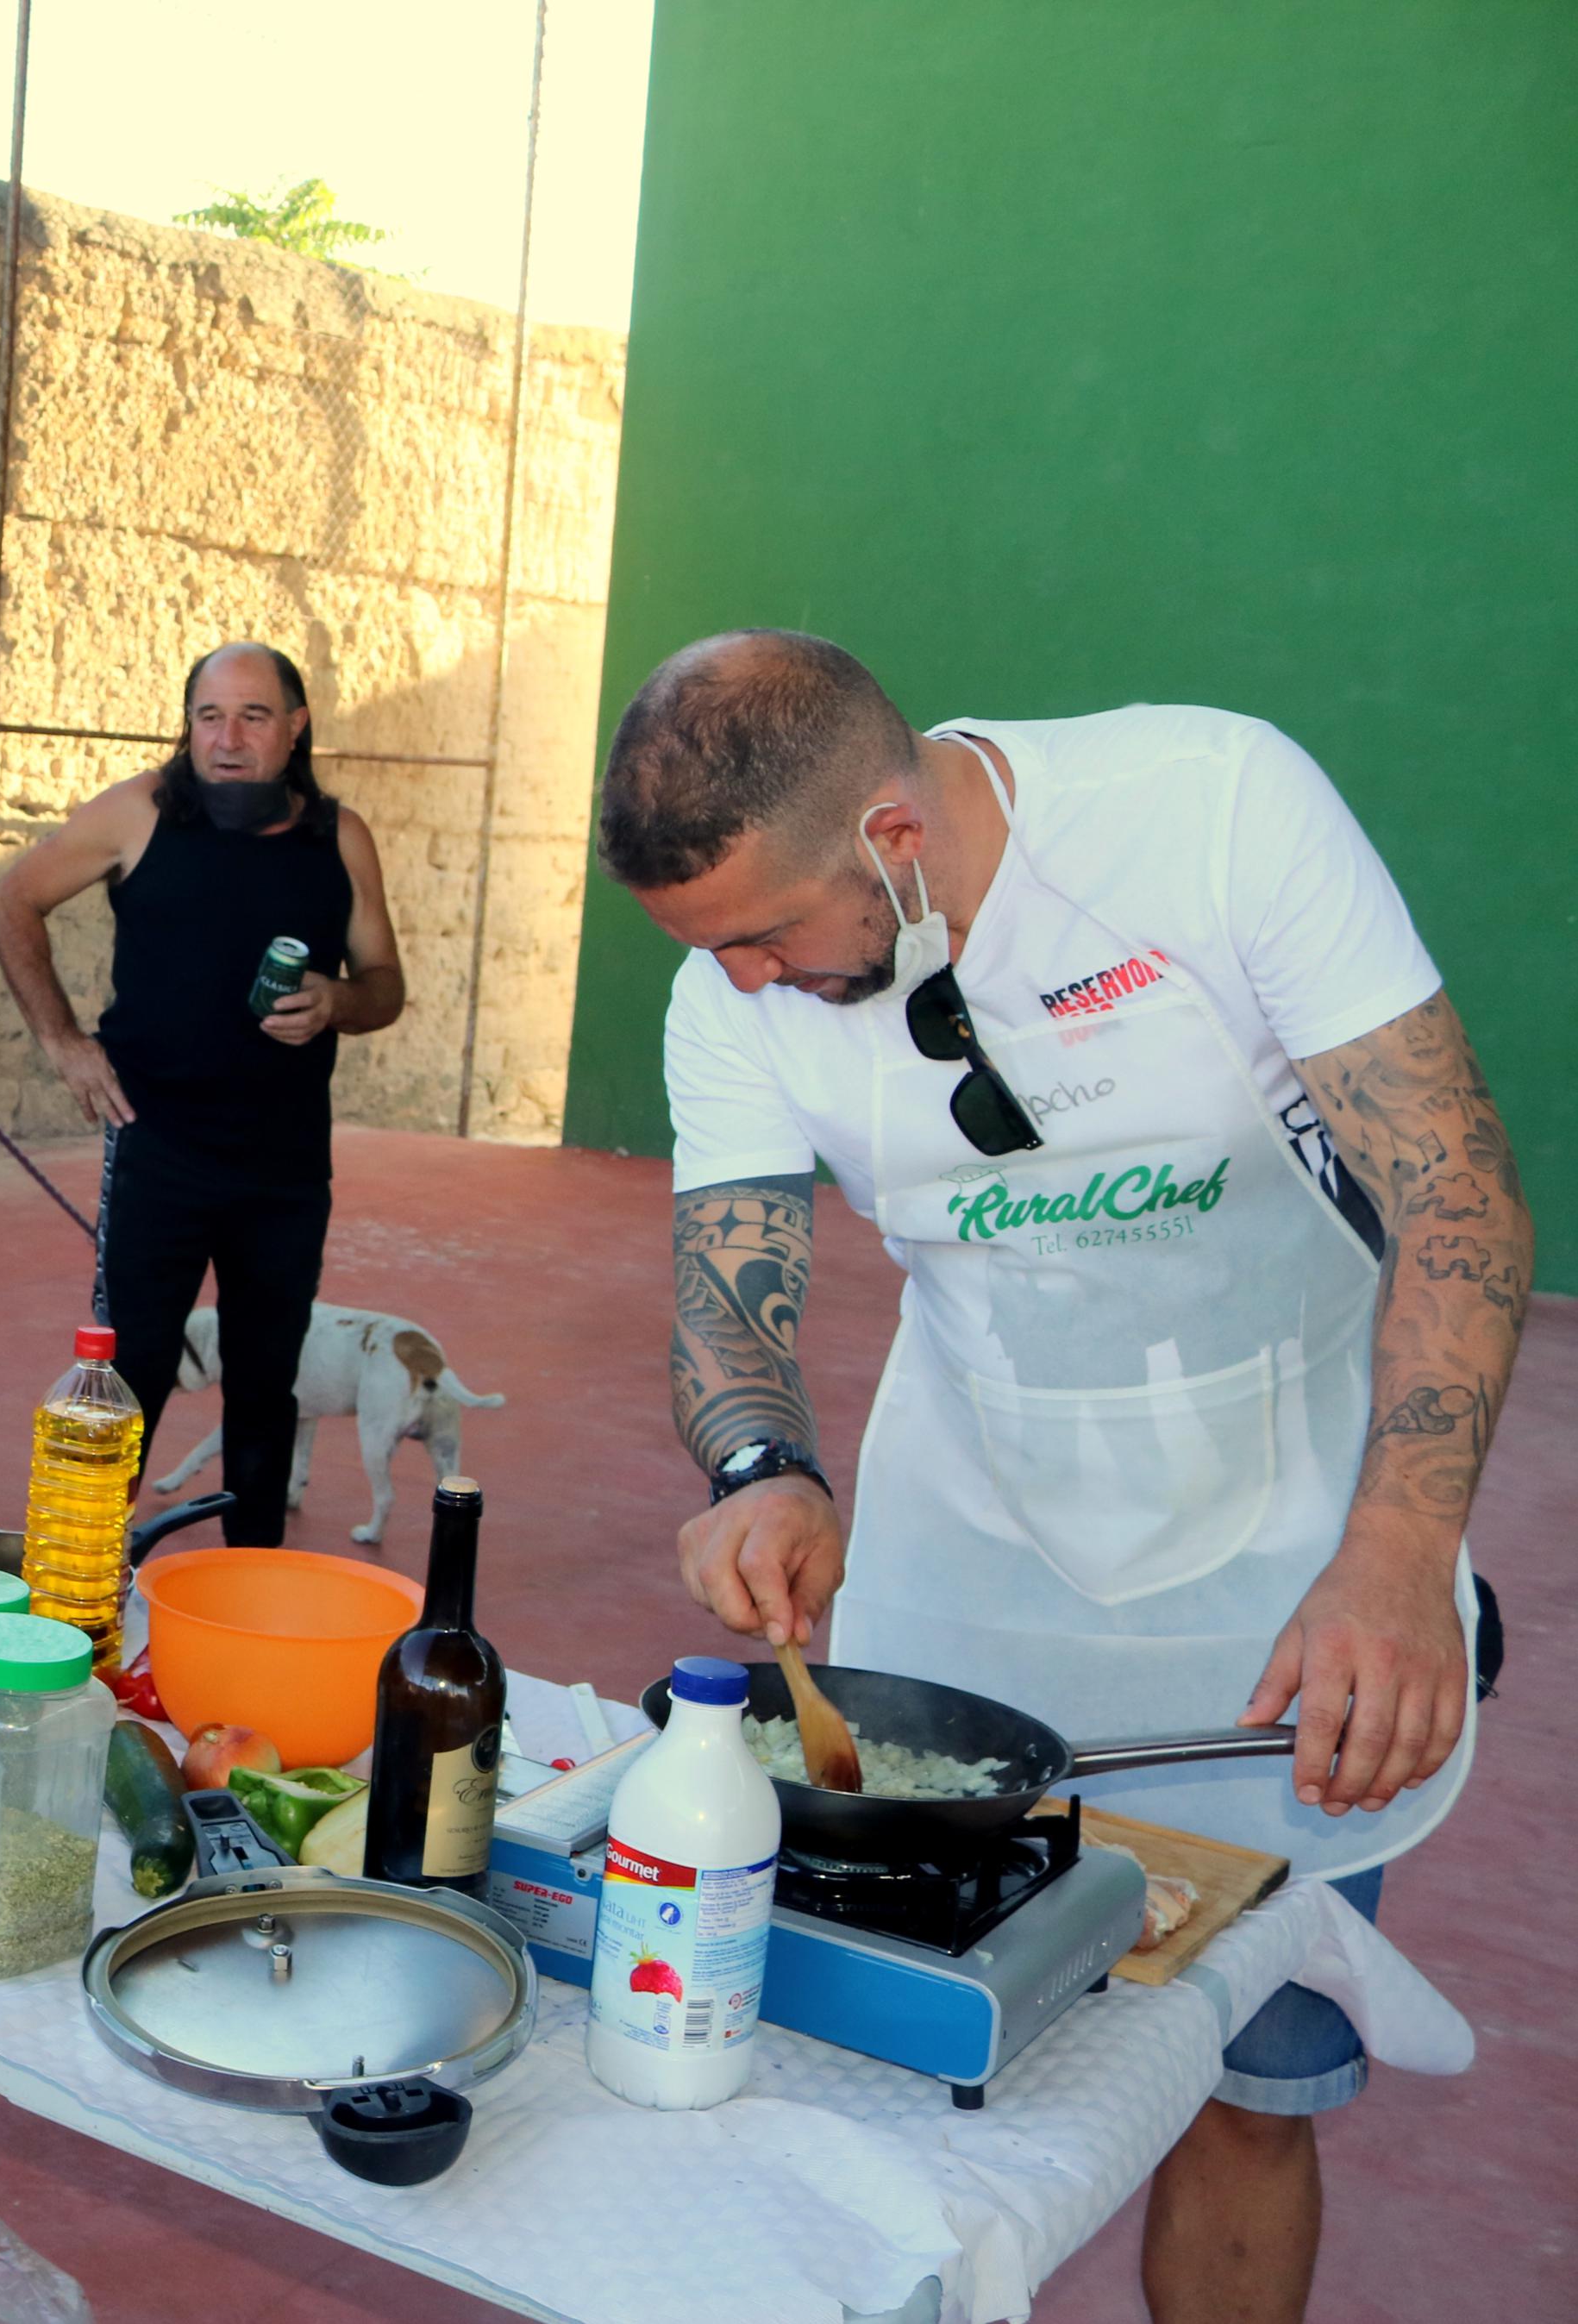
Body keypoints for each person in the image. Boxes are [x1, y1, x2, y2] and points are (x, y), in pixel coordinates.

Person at [600, 631, 1524, 2324]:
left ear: (888, 838)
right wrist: (759, 1468)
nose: (732, 978)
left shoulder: (1211, 811)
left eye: (758, 935)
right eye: (702, 946)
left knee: (1246, 2094)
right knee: (895, 2082)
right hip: (975, 1567)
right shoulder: (722, 988)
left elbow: (1456, 1205)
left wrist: (1397, 1552)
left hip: (1282, 1583)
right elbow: (725, 1284)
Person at [0, 642, 404, 1545]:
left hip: (284, 1162)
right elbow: (12, 898)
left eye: (253, 716)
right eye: (208, 715)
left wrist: (336, 1002)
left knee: (264, 1380)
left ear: (294, 728)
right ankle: (82, 1580)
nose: (226, 737)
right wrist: (62, 1042)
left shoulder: (338, 836)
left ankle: (248, 1579)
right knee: (124, 1371)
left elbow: (383, 983)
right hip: (157, 1146)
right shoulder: (138, 813)